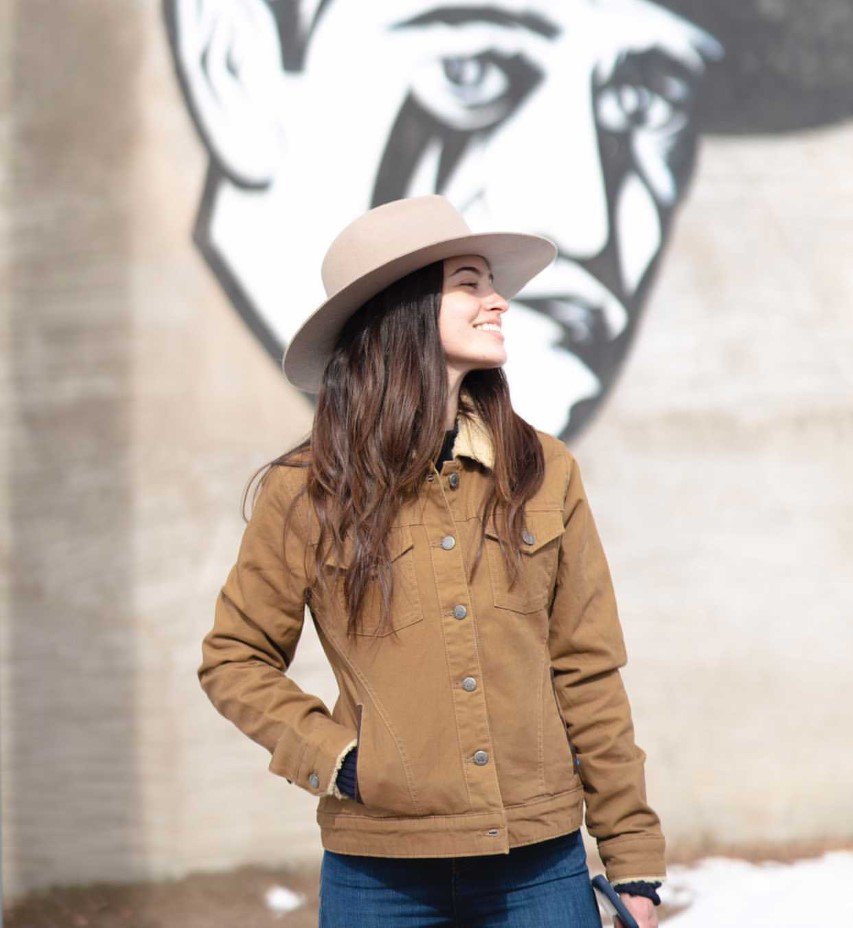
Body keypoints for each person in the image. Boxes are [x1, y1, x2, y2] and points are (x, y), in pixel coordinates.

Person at [199, 194, 666, 926]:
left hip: (539, 866)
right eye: (469, 283)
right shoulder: (305, 491)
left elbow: (586, 670)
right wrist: (340, 758)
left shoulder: (544, 469)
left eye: (491, 283)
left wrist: (631, 857)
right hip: (377, 874)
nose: (498, 302)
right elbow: (234, 658)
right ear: (404, 309)